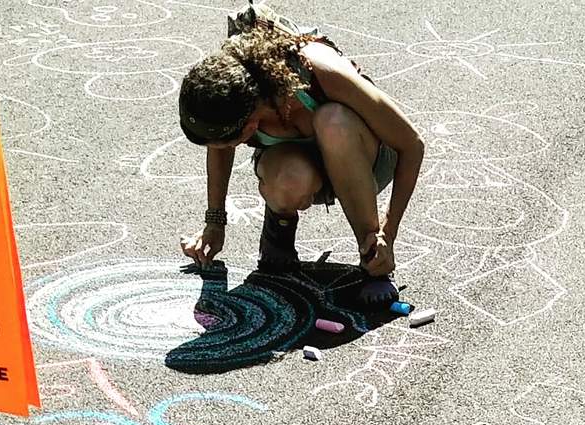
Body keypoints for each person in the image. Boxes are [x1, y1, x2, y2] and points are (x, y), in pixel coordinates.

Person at [176, 8, 424, 281]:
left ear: (249, 127)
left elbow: (411, 144)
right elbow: (220, 146)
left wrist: (387, 233)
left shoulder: (321, 72)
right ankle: (278, 233)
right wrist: (214, 223)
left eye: (229, 142)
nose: (224, 148)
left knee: (333, 122)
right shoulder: (232, 95)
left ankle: (373, 256)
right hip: (305, 167)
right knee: (288, 177)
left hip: (368, 160)